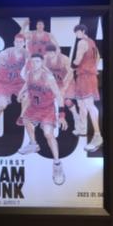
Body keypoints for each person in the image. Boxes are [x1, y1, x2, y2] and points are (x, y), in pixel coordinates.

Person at [17, 54, 68, 185]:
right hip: (34, 107)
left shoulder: (48, 77)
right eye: (33, 61)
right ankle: (33, 144)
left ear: (42, 63)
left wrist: (62, 116)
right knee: (26, 119)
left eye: (38, 61)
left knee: (48, 134)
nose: (35, 64)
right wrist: (21, 92)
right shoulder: (29, 73)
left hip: (47, 109)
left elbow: (59, 95)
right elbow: (27, 85)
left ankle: (57, 164)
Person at [72, 24, 103, 152]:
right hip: (85, 76)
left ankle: (97, 136)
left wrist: (70, 66)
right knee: (81, 104)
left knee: (89, 105)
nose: (76, 35)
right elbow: (98, 56)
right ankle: (82, 129)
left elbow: (77, 60)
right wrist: (93, 67)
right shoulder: (92, 42)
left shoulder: (82, 42)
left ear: (83, 31)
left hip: (86, 77)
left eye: (77, 32)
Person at [43, 43, 81, 132]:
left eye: (51, 53)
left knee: (65, 99)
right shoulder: (45, 59)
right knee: (53, 99)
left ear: (56, 52)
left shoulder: (64, 59)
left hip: (67, 81)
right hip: (55, 82)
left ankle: (75, 115)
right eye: (48, 53)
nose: (50, 55)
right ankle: (54, 121)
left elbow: (70, 74)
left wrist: (64, 87)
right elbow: (44, 72)